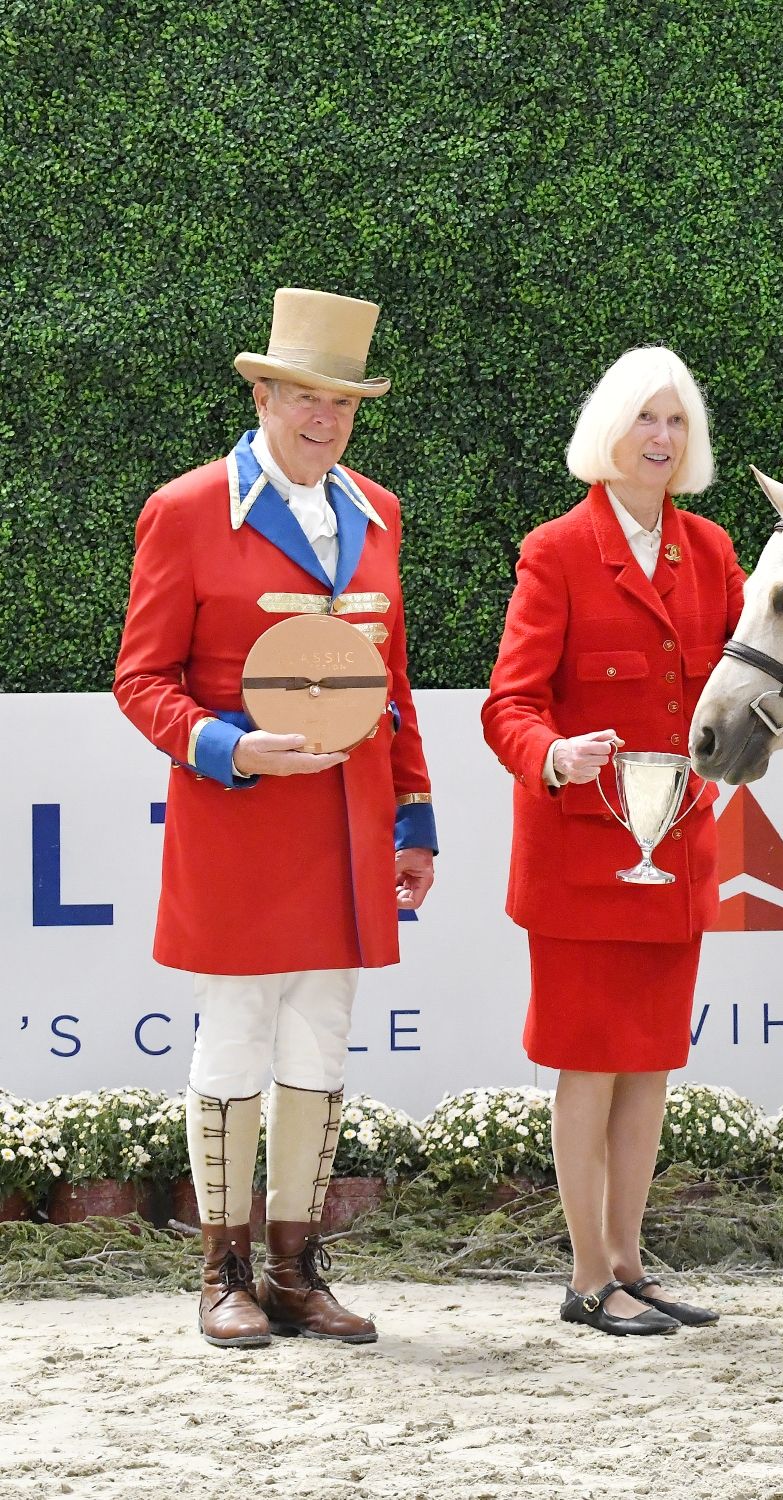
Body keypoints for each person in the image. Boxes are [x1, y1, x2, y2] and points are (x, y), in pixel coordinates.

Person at [113, 287, 439, 1348]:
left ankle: (297, 1272)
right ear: (262, 392)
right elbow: (142, 680)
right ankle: (222, 1272)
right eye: (302, 396)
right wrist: (228, 747)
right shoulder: (187, 508)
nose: (322, 418)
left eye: (340, 401)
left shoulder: (382, 513)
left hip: (348, 824)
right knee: (236, 1036)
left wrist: (414, 818)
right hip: (240, 819)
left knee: (323, 1040)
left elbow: (389, 686)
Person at [481, 346, 742, 1336]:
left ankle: (633, 1261)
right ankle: (590, 1277)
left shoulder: (711, 551)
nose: (663, 440)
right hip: (583, 856)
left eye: (677, 423)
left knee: (649, 1065)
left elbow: (750, 669)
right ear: (609, 431)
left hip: (674, 850)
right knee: (587, 1065)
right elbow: (509, 704)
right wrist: (555, 754)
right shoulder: (555, 551)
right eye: (646, 420)